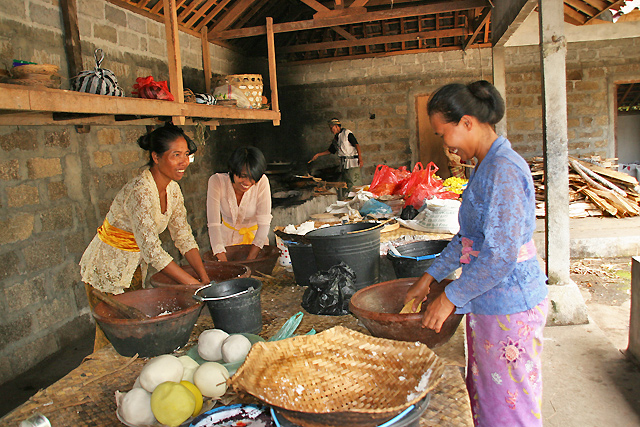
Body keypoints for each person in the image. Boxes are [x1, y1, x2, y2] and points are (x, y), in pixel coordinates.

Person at [404, 80, 549, 427]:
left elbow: (499, 256)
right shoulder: (487, 166)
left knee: (510, 410)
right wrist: (429, 278)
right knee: (490, 399)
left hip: (511, 306)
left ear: (467, 122)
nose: (445, 145)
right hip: (490, 301)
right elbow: (469, 239)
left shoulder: (504, 170)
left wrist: (450, 298)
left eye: (443, 134)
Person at [80, 123, 211, 350]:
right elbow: (152, 250)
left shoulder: (172, 189)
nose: (183, 162)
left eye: (186, 155)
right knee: (112, 342)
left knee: (135, 333)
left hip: (133, 268)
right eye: (176, 155)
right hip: (107, 268)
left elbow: (183, 236)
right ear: (156, 157)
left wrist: (204, 278)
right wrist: (192, 284)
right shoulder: (140, 191)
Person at [206, 146, 272, 261]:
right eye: (243, 176)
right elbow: (213, 225)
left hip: (256, 243)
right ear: (232, 170)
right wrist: (223, 260)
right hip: (225, 244)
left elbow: (264, 223)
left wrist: (251, 259)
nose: (247, 182)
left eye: (252, 178)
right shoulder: (216, 182)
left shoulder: (262, 182)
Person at [309, 118, 363, 193]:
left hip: (353, 162)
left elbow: (356, 145)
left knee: (354, 183)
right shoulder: (336, 138)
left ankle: (359, 198)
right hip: (344, 163)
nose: (331, 130)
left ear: (337, 126)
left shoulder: (347, 133)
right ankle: (349, 198)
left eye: (332, 128)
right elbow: (331, 150)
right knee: (347, 182)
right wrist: (318, 155)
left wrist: (360, 158)